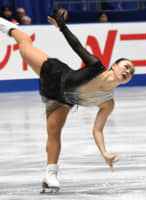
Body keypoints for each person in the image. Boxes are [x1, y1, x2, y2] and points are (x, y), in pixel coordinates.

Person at [0, 14, 135, 193]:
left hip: (62, 100)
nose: (128, 71)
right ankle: (8, 26)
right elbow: (77, 46)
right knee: (24, 45)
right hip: (55, 73)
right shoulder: (96, 66)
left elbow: (97, 130)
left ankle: (50, 174)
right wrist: (62, 27)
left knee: (54, 132)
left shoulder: (108, 103)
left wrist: (104, 153)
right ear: (114, 66)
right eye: (125, 66)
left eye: (131, 71)